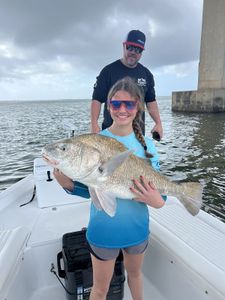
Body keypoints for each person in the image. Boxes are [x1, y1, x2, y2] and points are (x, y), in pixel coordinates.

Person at [54, 77, 165, 300]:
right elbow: (97, 185)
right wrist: (71, 186)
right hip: (103, 231)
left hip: (137, 230)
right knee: (99, 289)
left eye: (129, 104)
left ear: (138, 107)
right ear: (108, 106)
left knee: (135, 276)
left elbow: (159, 192)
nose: (122, 109)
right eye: (115, 104)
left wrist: (158, 201)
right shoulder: (94, 141)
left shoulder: (147, 145)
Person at [91, 29, 163, 139]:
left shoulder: (146, 74)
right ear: (124, 46)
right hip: (110, 136)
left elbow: (151, 101)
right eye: (130, 47)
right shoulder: (108, 71)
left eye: (138, 50)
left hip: (137, 136)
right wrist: (94, 124)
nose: (134, 52)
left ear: (141, 52)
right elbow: (96, 99)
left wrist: (158, 123)